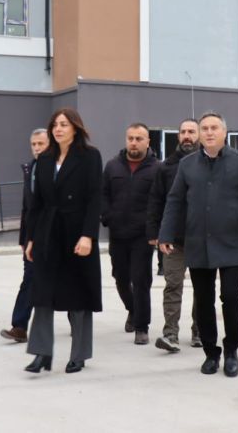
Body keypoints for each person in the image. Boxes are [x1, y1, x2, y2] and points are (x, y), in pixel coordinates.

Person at [158, 112, 238, 377]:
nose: (209, 132)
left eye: (214, 128)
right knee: (204, 300)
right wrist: (165, 235)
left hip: (231, 242)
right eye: (205, 128)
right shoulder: (187, 165)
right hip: (197, 242)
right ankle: (211, 353)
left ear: (224, 132)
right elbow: (174, 201)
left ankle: (231, 350)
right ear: (199, 134)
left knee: (231, 297)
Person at [23, 108, 103, 374]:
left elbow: (95, 198)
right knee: (42, 294)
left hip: (77, 232)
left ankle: (79, 354)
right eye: (55, 125)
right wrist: (31, 238)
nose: (58, 129)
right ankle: (41, 353)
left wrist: (88, 235)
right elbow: (36, 202)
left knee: (78, 294)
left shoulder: (90, 156)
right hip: (48, 232)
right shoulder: (45, 158)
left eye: (64, 124)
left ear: (75, 128)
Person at [147, 118, 202, 353]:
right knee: (172, 286)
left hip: (202, 238)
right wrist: (155, 233)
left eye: (191, 131)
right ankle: (170, 334)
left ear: (199, 135)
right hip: (174, 240)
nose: (187, 136)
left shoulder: (209, 163)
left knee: (202, 288)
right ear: (178, 136)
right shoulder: (166, 167)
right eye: (183, 132)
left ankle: (199, 331)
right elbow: (156, 201)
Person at [102, 123, 160, 345]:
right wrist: (107, 216)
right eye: (130, 138)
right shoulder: (112, 166)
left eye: (139, 138)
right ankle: (133, 309)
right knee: (120, 278)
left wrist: (155, 228)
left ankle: (141, 327)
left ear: (148, 141)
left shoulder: (157, 169)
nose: (134, 142)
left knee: (141, 279)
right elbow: (103, 194)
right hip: (118, 233)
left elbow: (160, 200)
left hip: (143, 235)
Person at [0, 128, 50, 343]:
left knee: (62, 281)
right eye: (33, 144)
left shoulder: (59, 168)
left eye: (41, 144)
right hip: (33, 237)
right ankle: (19, 327)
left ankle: (76, 322)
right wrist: (23, 238)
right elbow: (26, 207)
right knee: (29, 279)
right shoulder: (30, 168)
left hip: (55, 234)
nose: (37, 148)